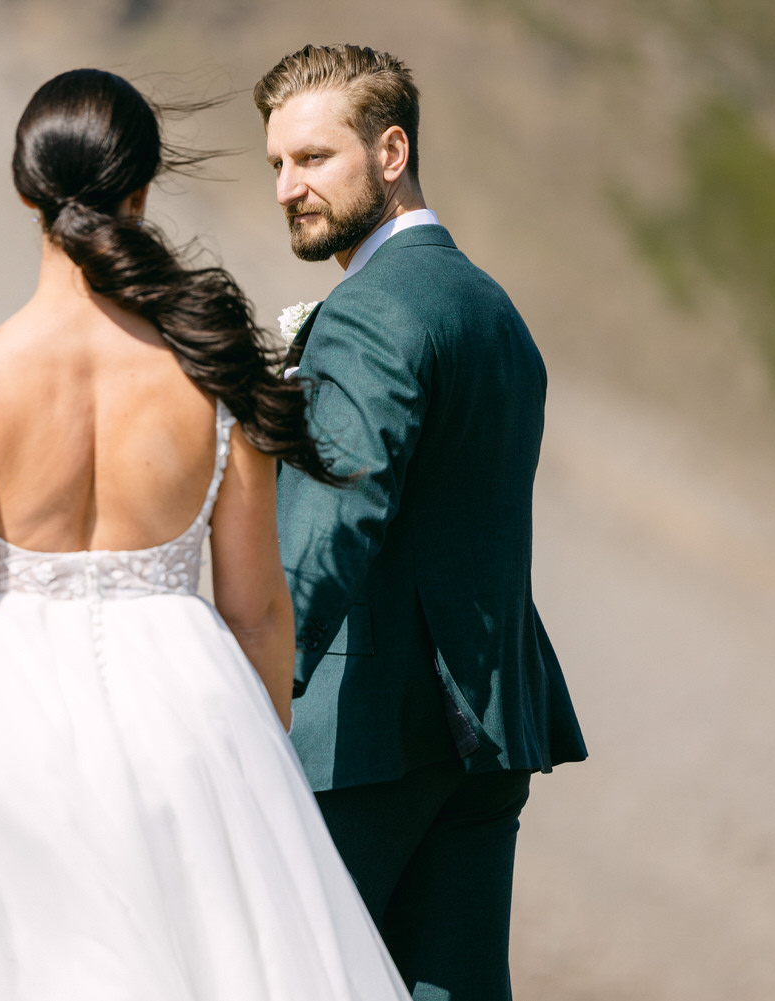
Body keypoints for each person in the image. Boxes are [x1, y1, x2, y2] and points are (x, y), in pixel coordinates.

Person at [0, 68, 412, 1001]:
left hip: (8, 738)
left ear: (26, 191)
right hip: (191, 721)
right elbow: (259, 611)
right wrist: (256, 778)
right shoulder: (214, 368)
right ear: (142, 191)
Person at [256, 44, 589, 1001]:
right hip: (483, 732)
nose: (287, 187)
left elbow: (334, 519)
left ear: (391, 150)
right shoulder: (491, 308)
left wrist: (252, 687)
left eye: (314, 159)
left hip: (360, 740)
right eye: (276, 163)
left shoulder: (371, 312)